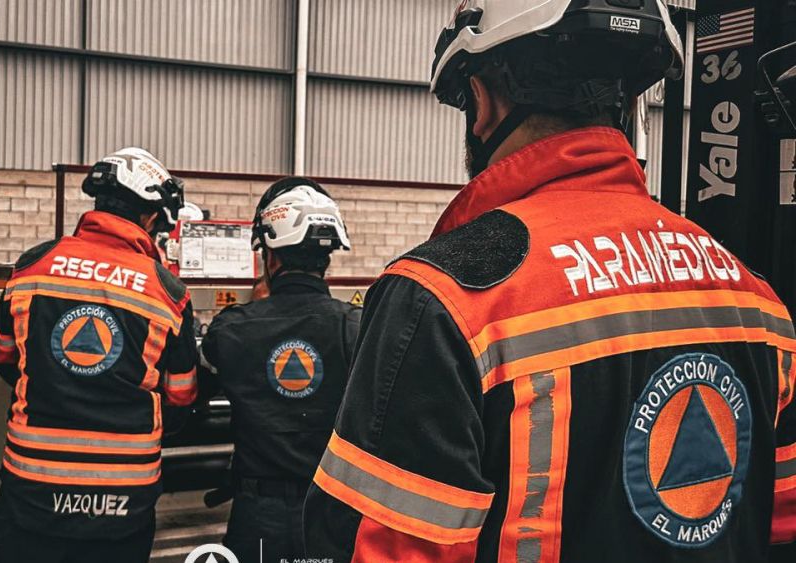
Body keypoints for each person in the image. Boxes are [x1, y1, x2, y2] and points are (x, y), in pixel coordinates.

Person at [304, 1, 796, 562]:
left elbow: (379, 548)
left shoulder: (444, 298)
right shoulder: (756, 298)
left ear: (483, 104)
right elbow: (780, 519)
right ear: (630, 104)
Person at [0, 147, 198, 563]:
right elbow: (182, 396)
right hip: (123, 504)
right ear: (150, 217)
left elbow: (3, 357)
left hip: (31, 490)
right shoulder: (168, 293)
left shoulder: (32, 266)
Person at [198, 178, 361, 563]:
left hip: (259, 517)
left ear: (271, 258)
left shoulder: (232, 329)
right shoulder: (358, 328)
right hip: (333, 511)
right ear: (328, 257)